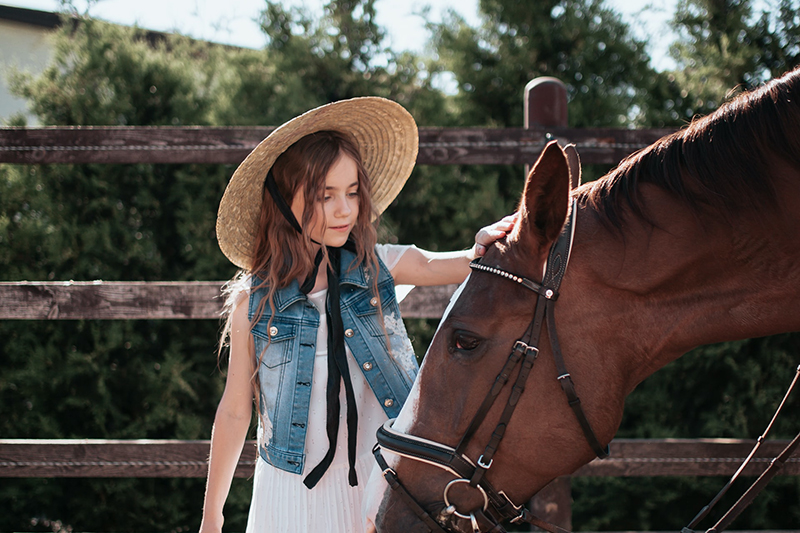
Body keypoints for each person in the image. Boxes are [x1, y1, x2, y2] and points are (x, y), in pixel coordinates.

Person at [199, 97, 515, 533]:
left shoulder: (375, 267)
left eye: (351, 193)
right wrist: (211, 518)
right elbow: (236, 411)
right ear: (284, 201)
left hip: (377, 484)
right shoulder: (255, 302)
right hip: (292, 495)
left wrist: (483, 246)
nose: (344, 209)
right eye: (324, 196)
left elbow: (439, 263)